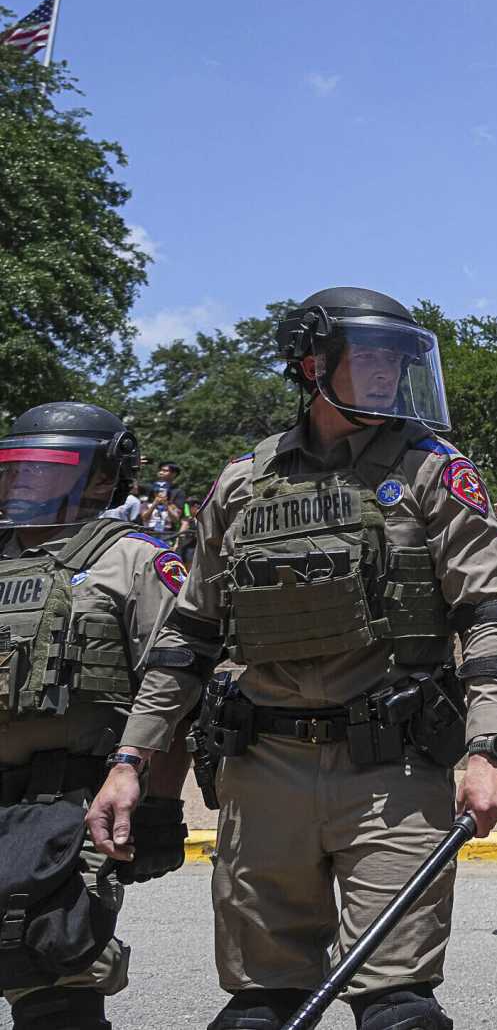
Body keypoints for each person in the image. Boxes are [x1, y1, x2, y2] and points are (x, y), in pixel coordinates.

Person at [86, 287, 497, 1030]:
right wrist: (131, 759)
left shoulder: (432, 473)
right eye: (369, 361)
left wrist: (487, 747)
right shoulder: (242, 482)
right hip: (264, 775)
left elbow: (487, 616)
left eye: (397, 361)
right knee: (260, 1008)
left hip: (391, 771)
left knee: (398, 1009)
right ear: (311, 364)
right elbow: (187, 638)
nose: (387, 376)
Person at [0, 402, 193, 1030]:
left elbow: (178, 687)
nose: (24, 481)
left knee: (53, 973)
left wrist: (161, 803)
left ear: (103, 479)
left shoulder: (135, 560)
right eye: (16, 467)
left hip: (72, 800)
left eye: (44, 469)